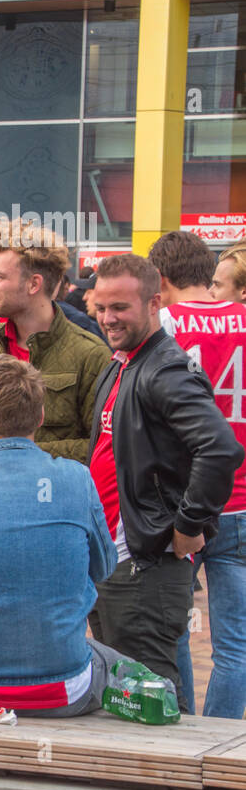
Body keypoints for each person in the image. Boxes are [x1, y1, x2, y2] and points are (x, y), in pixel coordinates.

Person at [0, 356, 122, 716]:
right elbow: (104, 565)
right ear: (40, 417)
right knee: (114, 662)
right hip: (65, 686)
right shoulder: (77, 478)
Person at [87, 252, 242, 710]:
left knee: (150, 700)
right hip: (116, 558)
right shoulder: (124, 361)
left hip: (144, 564)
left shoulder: (165, 368)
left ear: (155, 303)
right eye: (101, 306)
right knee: (134, 693)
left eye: (121, 308)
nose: (108, 318)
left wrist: (188, 526)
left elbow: (220, 448)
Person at [150, 231, 246, 719]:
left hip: (181, 502)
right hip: (243, 499)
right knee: (236, 645)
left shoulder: (161, 323)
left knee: (174, 632)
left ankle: (182, 731)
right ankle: (221, 740)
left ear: (160, 279)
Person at [0, 217, 110, 471]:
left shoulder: (90, 355)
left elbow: (101, 444)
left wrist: (14, 455)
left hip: (51, 505)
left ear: (34, 284)